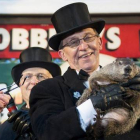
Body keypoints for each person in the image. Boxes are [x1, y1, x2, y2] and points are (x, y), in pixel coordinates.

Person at [28, 3, 140, 140]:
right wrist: (94, 103)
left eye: (88, 37)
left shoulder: (129, 80)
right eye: (73, 42)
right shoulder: (47, 89)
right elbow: (47, 132)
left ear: (99, 42)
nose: (83, 46)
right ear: (63, 55)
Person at [0, 47, 61, 140]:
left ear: (52, 83)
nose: (34, 81)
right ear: (20, 84)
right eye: (27, 76)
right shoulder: (7, 128)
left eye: (41, 76)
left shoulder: (68, 115)